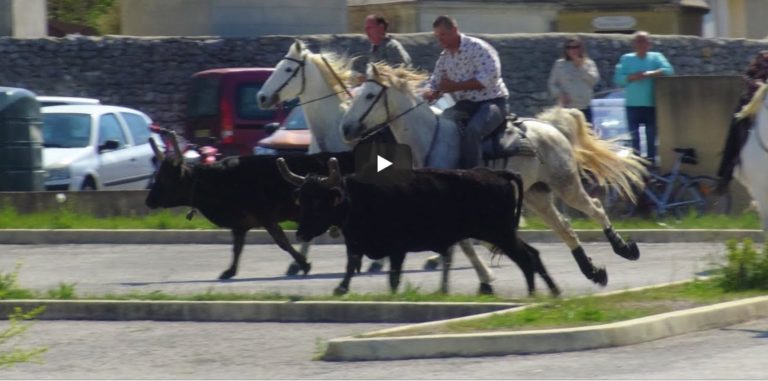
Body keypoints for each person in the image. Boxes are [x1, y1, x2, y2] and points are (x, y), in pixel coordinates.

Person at [422, 15, 509, 169]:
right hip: (465, 105)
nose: (439, 40)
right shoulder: (444, 57)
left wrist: (454, 86)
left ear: (454, 30)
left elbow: (488, 78)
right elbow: (436, 81)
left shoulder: (478, 48)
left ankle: (472, 176)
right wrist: (429, 92)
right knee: (441, 126)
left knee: (473, 130)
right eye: (437, 36)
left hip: (492, 102)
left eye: (443, 35)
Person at [613, 31, 674, 165]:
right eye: (639, 41)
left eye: (644, 41)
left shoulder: (656, 57)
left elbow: (669, 70)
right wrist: (632, 77)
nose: (642, 44)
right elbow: (618, 78)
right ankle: (637, 165)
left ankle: (651, 165)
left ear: (649, 44)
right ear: (634, 44)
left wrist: (651, 73)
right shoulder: (626, 58)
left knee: (651, 138)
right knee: (635, 139)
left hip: (651, 104)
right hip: (632, 105)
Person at [715, 50, 768, 194]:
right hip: (751, 102)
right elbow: (747, 76)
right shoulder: (762, 57)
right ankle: (725, 175)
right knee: (735, 128)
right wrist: (757, 85)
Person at [547, 36, 600, 124]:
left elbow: (594, 80)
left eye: (576, 47)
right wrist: (559, 94)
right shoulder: (560, 64)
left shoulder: (589, 63)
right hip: (567, 107)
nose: (573, 50)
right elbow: (552, 84)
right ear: (566, 50)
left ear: (580, 48)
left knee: (587, 135)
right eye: (569, 47)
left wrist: (581, 67)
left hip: (584, 106)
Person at [352, 14, 412, 81]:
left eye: (370, 28)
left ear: (381, 28)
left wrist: (369, 78)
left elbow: (400, 74)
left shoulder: (392, 47)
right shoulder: (374, 48)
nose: (366, 31)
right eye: (366, 28)